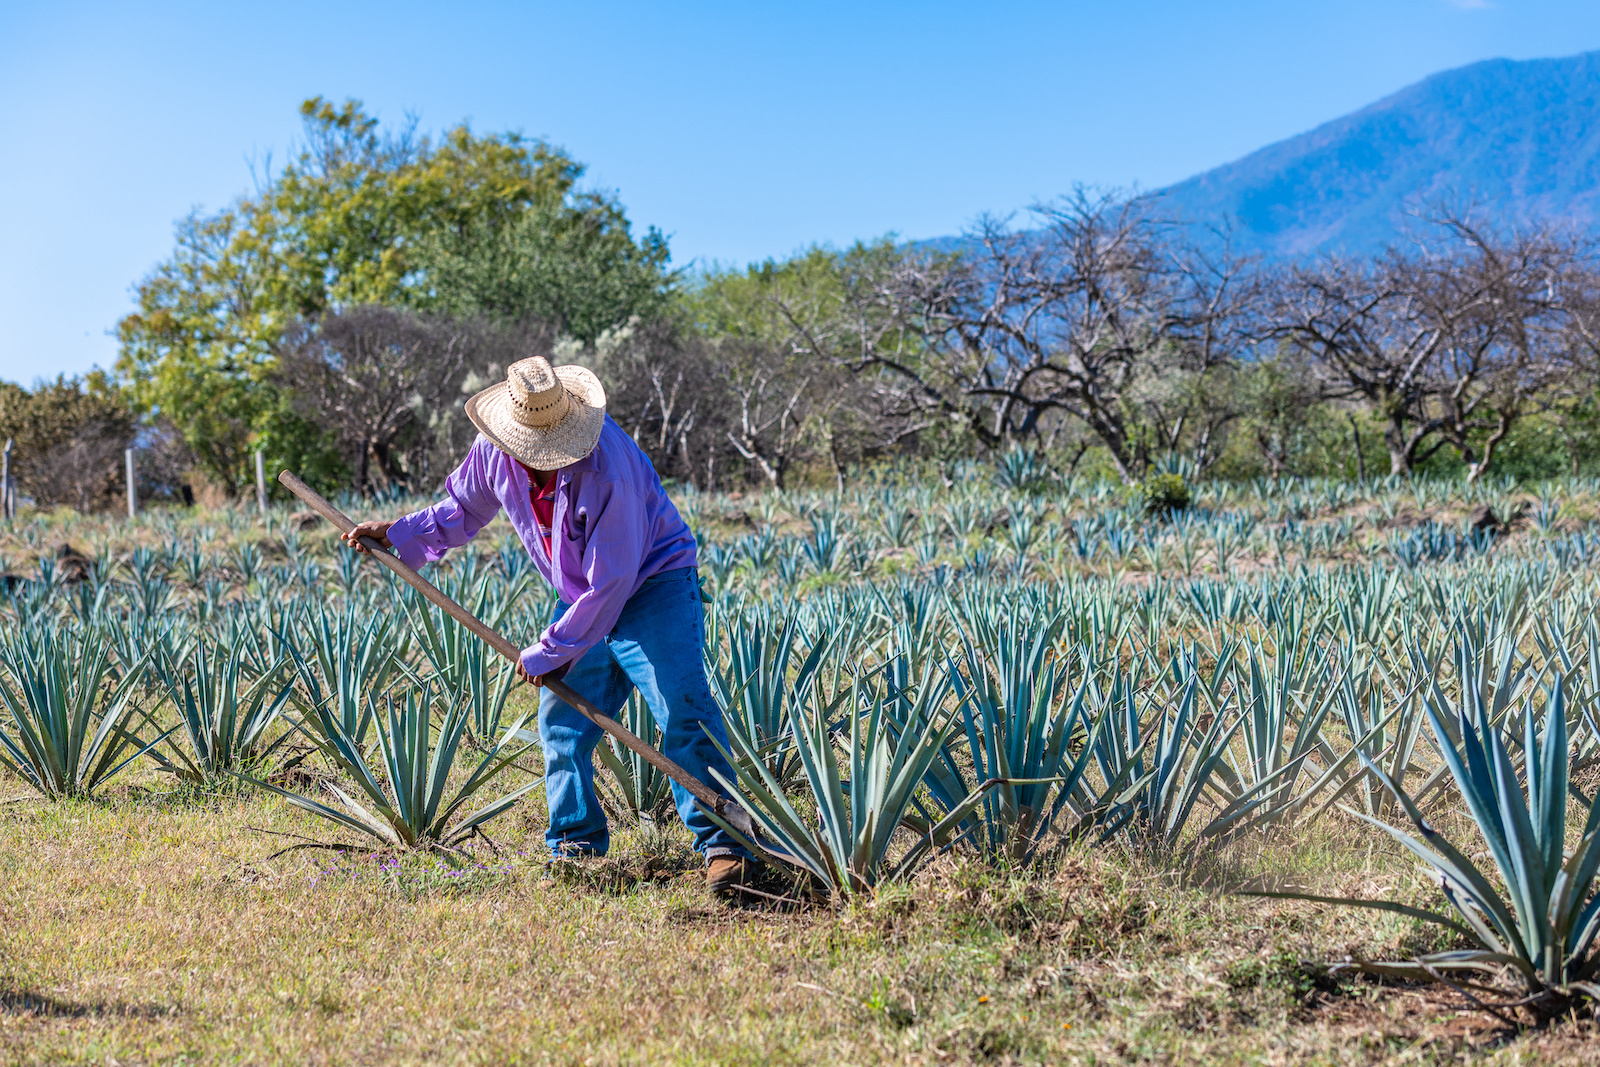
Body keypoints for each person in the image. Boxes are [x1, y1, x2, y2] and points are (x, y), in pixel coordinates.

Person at [341, 355, 755, 897]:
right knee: (561, 722)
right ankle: (576, 846)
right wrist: (400, 534)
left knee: (681, 709)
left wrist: (550, 650)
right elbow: (464, 507)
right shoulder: (496, 449)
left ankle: (725, 844)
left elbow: (612, 582)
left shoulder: (606, 468)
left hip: (653, 587)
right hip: (582, 596)